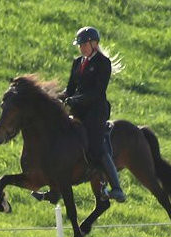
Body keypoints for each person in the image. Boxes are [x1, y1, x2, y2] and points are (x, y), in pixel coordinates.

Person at [58, 26, 126, 202]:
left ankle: (116, 187)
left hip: (96, 111)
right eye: (79, 45)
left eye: (84, 44)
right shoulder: (77, 62)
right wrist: (57, 96)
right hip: (78, 110)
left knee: (97, 145)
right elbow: (70, 88)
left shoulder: (103, 63)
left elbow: (97, 92)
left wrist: (75, 100)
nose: (81, 48)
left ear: (94, 44)